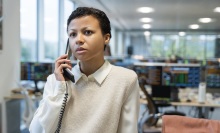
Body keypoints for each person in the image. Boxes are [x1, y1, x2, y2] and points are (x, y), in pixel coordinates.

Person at [29, 7, 140, 133]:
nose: (78, 40)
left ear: (106, 38)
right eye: (72, 34)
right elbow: (36, 130)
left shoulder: (125, 79)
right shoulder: (56, 80)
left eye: (87, 32)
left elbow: (128, 130)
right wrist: (61, 89)